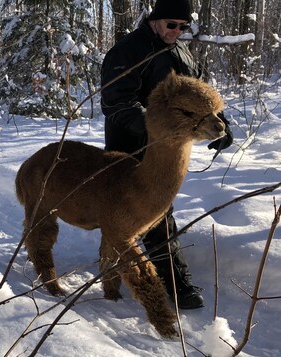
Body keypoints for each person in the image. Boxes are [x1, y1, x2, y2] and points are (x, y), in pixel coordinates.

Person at [100, 0, 233, 309]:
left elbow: (202, 95)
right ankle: (176, 282)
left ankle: (116, 255)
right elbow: (116, 102)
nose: (177, 31)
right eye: (171, 25)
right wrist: (156, 130)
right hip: (130, 148)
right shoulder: (128, 52)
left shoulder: (181, 52)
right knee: (156, 211)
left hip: (171, 149)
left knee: (151, 210)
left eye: (183, 26)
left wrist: (222, 124)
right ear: (155, 20)